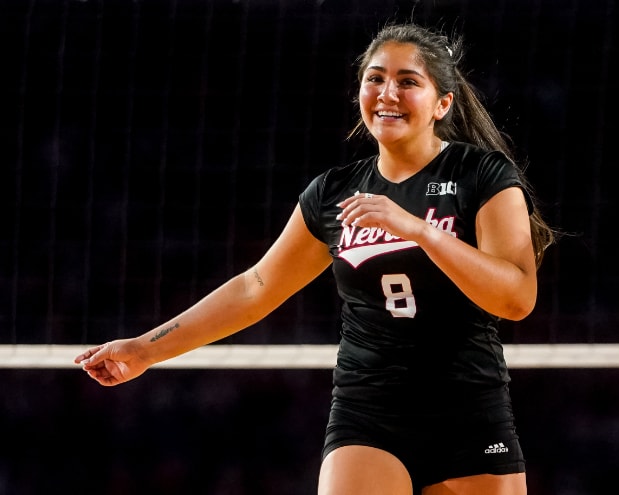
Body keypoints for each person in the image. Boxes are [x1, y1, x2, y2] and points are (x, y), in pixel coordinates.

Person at [75, 22, 556, 495]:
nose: (387, 92)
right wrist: (144, 350)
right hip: (368, 410)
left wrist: (417, 230)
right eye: (375, 78)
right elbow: (256, 287)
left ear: (442, 104)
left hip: (467, 408)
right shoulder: (333, 193)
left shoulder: (482, 174)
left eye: (408, 81)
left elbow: (516, 299)